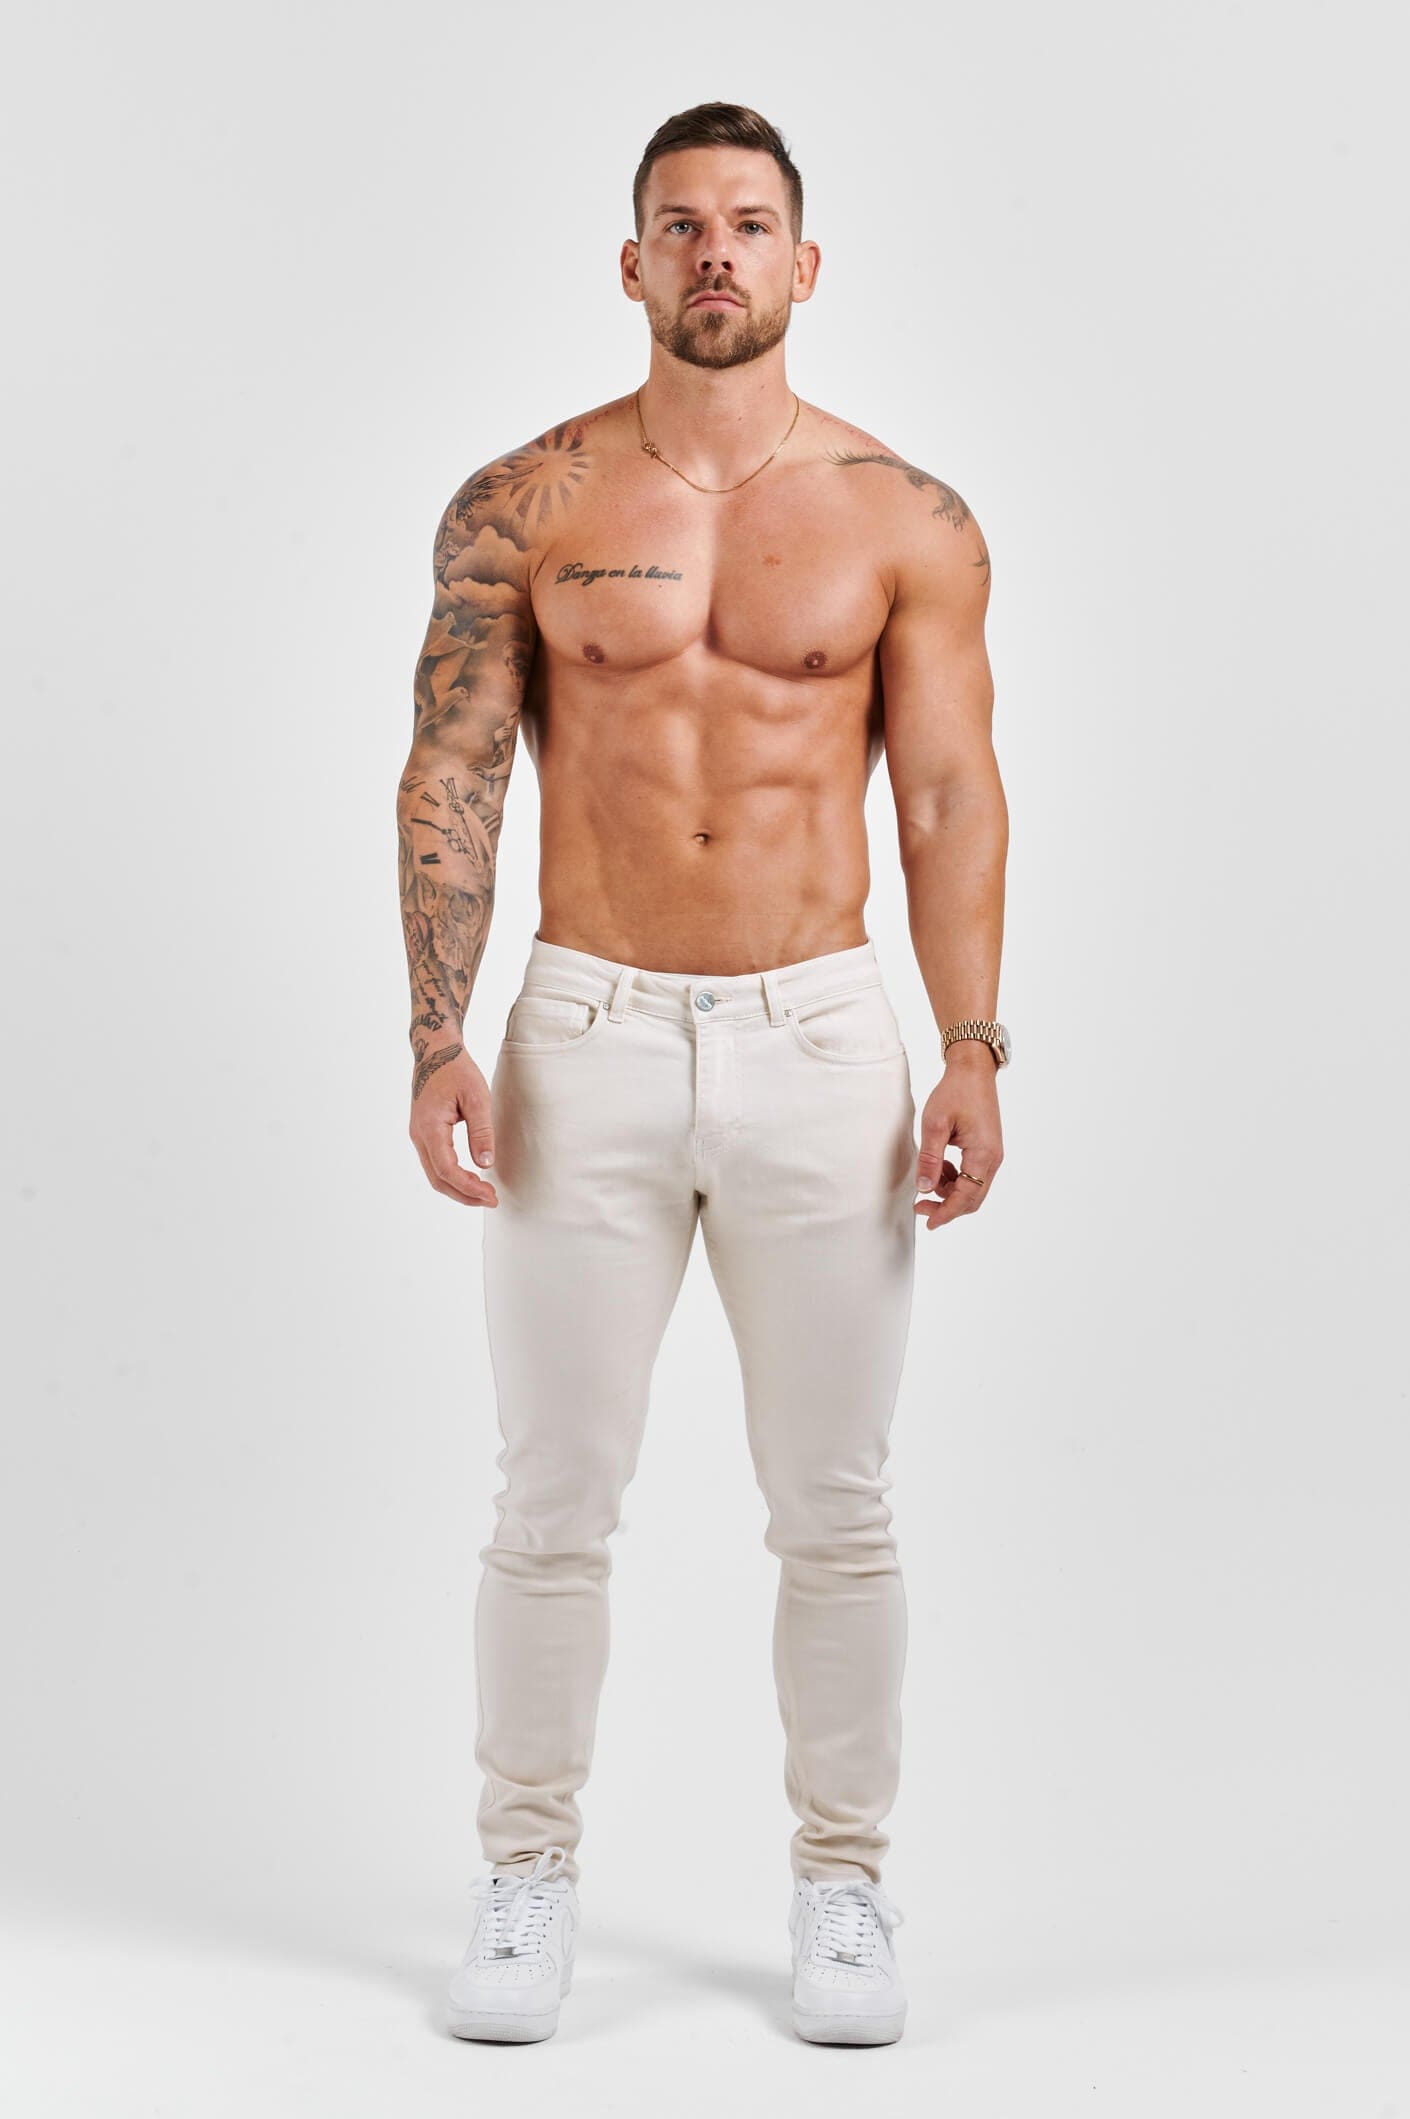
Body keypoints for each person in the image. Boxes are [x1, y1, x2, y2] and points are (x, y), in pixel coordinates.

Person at [397, 101, 1011, 2047]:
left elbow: (944, 791)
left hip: (821, 1035)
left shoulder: (905, 518)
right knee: (552, 1495)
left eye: (750, 223)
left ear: (804, 263)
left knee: (835, 1501)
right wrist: (435, 1032)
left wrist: (971, 1041)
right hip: (583, 1032)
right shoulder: (527, 503)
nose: (716, 251)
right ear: (633, 262)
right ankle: (525, 1871)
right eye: (681, 223)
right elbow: (454, 768)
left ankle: (844, 1883)